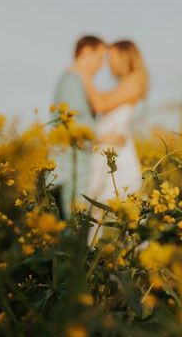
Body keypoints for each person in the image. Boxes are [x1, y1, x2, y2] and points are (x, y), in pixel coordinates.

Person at [83, 40, 147, 238]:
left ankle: (134, 264)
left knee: (123, 209)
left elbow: (100, 104)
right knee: (95, 208)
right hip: (107, 145)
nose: (108, 63)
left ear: (125, 57)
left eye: (111, 57)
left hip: (116, 150)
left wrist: (83, 74)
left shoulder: (134, 80)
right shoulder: (123, 84)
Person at [51, 35, 106, 218]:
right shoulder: (72, 81)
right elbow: (75, 127)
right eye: (100, 58)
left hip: (75, 165)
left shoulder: (74, 80)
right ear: (86, 52)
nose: (101, 65)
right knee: (73, 224)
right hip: (70, 168)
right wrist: (106, 138)